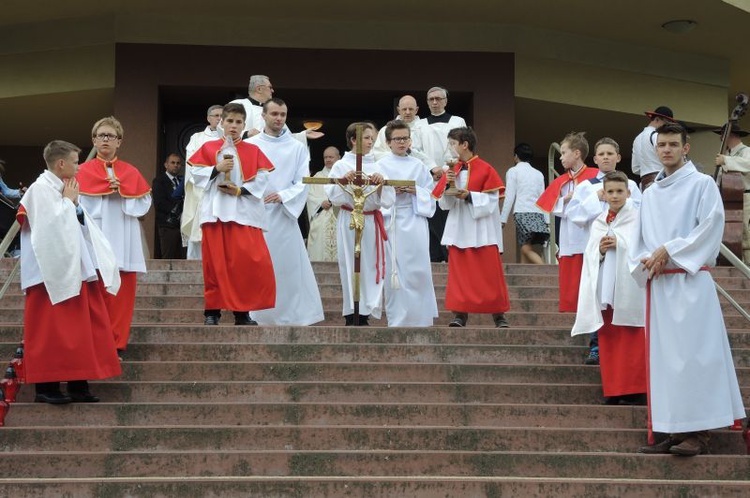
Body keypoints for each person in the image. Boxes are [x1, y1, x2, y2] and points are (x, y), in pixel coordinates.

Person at [631, 122, 745, 456]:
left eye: (672, 144)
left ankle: (700, 433)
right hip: (660, 285)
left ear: (685, 148)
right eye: (661, 145)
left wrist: (671, 249)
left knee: (695, 358)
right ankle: (673, 429)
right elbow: (638, 239)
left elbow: (711, 227)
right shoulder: (650, 193)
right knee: (667, 361)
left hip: (691, 281)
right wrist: (644, 260)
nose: (666, 150)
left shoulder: (702, 185)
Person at [17, 140, 121, 404]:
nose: (79, 166)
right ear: (61, 163)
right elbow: (45, 231)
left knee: (80, 332)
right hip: (49, 276)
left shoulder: (66, 188)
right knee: (51, 332)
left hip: (75, 268)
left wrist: (73, 206)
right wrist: (68, 203)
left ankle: (78, 384)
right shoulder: (40, 190)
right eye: (76, 162)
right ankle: (46, 388)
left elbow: (79, 224)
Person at [187, 102, 276, 326]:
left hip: (243, 213)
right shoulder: (208, 149)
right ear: (221, 122)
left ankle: (241, 312)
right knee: (214, 264)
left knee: (246, 264)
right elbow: (195, 174)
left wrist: (239, 190)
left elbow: (262, 180)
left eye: (238, 122)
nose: (233, 126)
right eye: (229, 121)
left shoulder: (254, 151)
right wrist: (216, 169)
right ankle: (212, 311)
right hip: (216, 214)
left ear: (244, 124)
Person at [77, 116, 152, 358]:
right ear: (93, 140)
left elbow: (144, 203)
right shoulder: (82, 171)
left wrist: (124, 191)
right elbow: (77, 205)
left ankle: (116, 344)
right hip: (94, 237)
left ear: (119, 142)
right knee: (95, 291)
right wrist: (102, 191)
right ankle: (95, 342)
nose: (105, 140)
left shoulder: (130, 171)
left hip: (123, 237)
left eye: (110, 136)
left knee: (122, 294)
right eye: (101, 136)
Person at [571, 171, 647, 405]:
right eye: (610, 192)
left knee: (632, 340)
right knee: (610, 341)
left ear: (629, 192)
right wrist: (601, 250)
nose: (615, 196)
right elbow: (590, 252)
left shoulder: (638, 217)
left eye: (619, 191)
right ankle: (614, 390)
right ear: (603, 194)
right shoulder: (600, 221)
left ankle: (635, 390)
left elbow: (645, 247)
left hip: (630, 290)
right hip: (606, 290)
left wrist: (620, 243)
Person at [247, 98, 324, 326]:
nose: (279, 118)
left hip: (284, 215)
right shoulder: (252, 144)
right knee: (259, 267)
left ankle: (292, 314)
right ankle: (256, 314)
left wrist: (284, 196)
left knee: (288, 269)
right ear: (264, 115)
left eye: (282, 114)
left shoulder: (297, 147)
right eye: (274, 114)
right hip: (256, 214)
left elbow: (303, 180)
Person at [566, 137, 642, 364]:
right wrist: (596, 197)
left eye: (611, 153)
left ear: (618, 158)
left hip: (624, 249)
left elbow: (639, 213)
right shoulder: (586, 187)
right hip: (597, 247)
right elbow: (574, 215)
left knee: (621, 298)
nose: (606, 157)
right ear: (595, 159)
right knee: (596, 296)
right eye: (602, 154)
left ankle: (624, 348)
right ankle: (596, 345)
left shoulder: (632, 186)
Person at [433, 127, 510, 328]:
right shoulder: (452, 170)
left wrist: (468, 196)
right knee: (460, 277)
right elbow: (443, 205)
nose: (450, 148)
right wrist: (448, 187)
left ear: (464, 145)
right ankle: (460, 314)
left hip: (482, 229)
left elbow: (493, 201)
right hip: (459, 228)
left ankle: (498, 315)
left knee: (490, 274)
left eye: (452, 143)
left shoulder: (486, 169)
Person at [325, 122, 395, 326]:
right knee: (349, 263)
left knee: (370, 266)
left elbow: (388, 200)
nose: (371, 141)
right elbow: (334, 198)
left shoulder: (379, 166)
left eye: (372, 138)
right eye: (366, 137)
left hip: (371, 219)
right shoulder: (340, 165)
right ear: (353, 140)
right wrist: (343, 181)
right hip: (349, 219)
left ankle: (365, 311)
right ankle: (351, 312)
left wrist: (381, 184)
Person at [377, 120, 438, 327]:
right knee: (395, 271)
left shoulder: (419, 165)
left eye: (405, 138)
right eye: (397, 139)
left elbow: (431, 195)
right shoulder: (380, 166)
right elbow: (375, 196)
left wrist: (415, 191)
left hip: (415, 218)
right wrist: (390, 191)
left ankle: (421, 317)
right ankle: (398, 318)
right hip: (392, 219)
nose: (402, 142)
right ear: (388, 142)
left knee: (418, 269)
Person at [536, 131, 599, 313]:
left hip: (592, 233)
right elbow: (548, 205)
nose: (561, 157)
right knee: (572, 276)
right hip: (570, 234)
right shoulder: (561, 182)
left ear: (577, 153)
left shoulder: (596, 175)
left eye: (564, 153)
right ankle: (573, 310)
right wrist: (566, 199)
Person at [422, 87, 468, 263]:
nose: (435, 102)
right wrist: (433, 168)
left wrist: (444, 168)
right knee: (431, 218)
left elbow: (460, 146)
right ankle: (434, 256)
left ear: (446, 101)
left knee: (448, 216)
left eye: (438, 99)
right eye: (431, 99)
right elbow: (416, 150)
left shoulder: (457, 121)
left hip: (451, 175)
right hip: (429, 177)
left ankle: (450, 256)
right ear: (427, 102)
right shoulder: (420, 125)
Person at [182, 104, 223, 260]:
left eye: (222, 116)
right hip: (202, 189)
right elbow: (191, 164)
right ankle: (196, 261)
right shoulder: (197, 138)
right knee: (198, 228)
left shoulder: (229, 138)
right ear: (208, 118)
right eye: (216, 115)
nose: (219, 119)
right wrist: (208, 174)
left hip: (222, 189)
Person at [229, 75, 323, 142]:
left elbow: (284, 137)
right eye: (270, 87)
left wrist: (302, 135)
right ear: (259, 89)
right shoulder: (237, 105)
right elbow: (223, 130)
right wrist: (246, 134)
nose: (272, 90)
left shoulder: (272, 109)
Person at [499, 143, 549, 265]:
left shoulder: (513, 171)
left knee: (525, 247)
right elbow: (543, 198)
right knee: (526, 244)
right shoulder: (538, 174)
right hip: (538, 214)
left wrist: (503, 219)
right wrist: (547, 220)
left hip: (522, 212)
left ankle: (546, 268)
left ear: (516, 156)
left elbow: (509, 196)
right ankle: (523, 268)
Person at [372, 95, 439, 171]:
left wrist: (432, 167)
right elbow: (377, 154)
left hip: (419, 171)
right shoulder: (385, 130)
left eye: (411, 109)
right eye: (404, 109)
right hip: (391, 170)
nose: (407, 112)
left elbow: (431, 154)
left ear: (416, 110)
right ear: (398, 110)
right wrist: (398, 156)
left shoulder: (426, 129)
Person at [714, 122, 750, 264]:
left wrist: (726, 161)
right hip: (729, 198)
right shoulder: (726, 154)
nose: (721, 138)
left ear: (730, 135)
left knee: (746, 233)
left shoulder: (746, 151)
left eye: (722, 135)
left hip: (746, 197)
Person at [306, 146, 341, 261]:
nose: (328, 159)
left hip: (340, 215)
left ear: (338, 158)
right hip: (322, 215)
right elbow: (310, 196)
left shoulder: (345, 176)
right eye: (326, 157)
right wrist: (320, 202)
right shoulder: (317, 177)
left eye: (331, 157)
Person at [632, 106, 675, 190]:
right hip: (661, 181)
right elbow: (669, 158)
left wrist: (647, 168)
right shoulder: (657, 136)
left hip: (645, 184)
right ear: (657, 119)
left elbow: (635, 168)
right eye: (667, 123)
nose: (667, 126)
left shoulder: (637, 139)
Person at [152, 153, 185, 259]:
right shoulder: (159, 181)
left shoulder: (182, 181)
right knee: (168, 257)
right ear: (166, 165)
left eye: (178, 163)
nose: (176, 165)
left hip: (183, 225)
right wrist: (177, 212)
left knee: (182, 257)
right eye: (173, 162)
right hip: (167, 225)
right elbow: (159, 203)